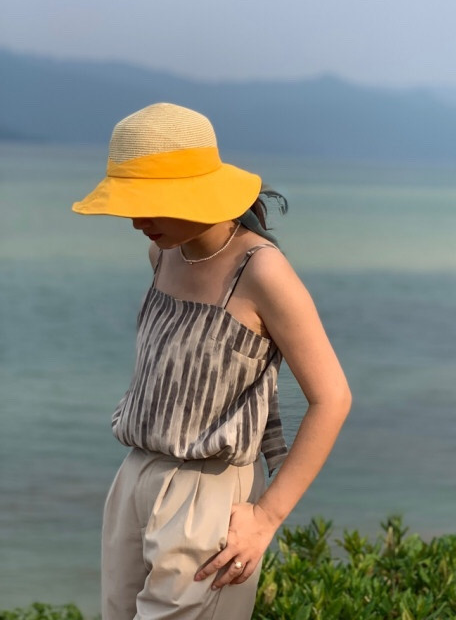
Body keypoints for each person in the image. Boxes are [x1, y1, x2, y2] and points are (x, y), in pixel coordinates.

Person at [72, 102, 352, 619]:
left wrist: (266, 518)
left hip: (209, 491)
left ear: (194, 191)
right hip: (134, 476)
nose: (135, 221)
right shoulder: (164, 253)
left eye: (148, 203)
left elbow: (332, 398)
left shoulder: (261, 271)